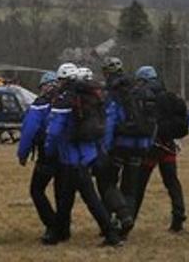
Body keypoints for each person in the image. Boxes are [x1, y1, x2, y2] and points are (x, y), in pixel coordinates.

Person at [45, 65, 122, 247]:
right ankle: (58, 233)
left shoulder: (65, 99)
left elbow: (55, 131)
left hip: (72, 157)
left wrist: (49, 151)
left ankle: (111, 234)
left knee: (89, 198)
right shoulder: (89, 96)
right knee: (66, 197)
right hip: (85, 154)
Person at [131, 65, 188, 232]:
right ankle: (178, 217)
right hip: (168, 145)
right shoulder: (169, 96)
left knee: (138, 185)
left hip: (150, 146)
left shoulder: (143, 96)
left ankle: (130, 218)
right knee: (172, 183)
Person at [100, 56, 153, 236]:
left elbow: (110, 121)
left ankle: (120, 217)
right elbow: (152, 120)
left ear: (107, 73)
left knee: (108, 183)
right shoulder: (138, 89)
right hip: (142, 143)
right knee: (130, 187)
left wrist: (105, 147)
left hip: (121, 143)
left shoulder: (114, 92)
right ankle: (126, 224)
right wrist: (148, 143)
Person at [18, 70, 61, 242]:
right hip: (67, 154)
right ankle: (63, 227)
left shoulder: (40, 104)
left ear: (44, 86)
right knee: (63, 193)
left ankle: (52, 225)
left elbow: (29, 130)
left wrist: (23, 153)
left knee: (36, 190)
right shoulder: (67, 101)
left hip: (47, 154)